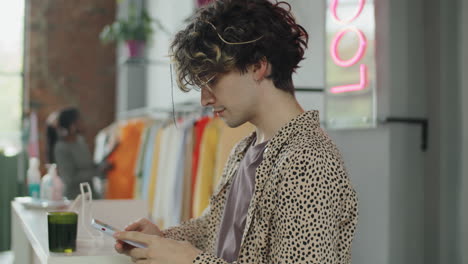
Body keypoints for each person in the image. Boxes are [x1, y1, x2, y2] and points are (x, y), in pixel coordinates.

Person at [114, 0, 359, 263]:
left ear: (257, 66)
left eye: (212, 80)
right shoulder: (245, 149)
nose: (204, 100)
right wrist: (162, 239)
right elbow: (215, 228)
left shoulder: (307, 161)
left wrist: (192, 261)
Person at [48, 107, 109, 199]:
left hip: (91, 195)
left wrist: (102, 165)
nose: (83, 123)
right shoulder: (61, 148)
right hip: (74, 199)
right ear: (72, 125)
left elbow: (88, 166)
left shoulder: (80, 141)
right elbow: (70, 178)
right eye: (80, 120)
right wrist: (97, 171)